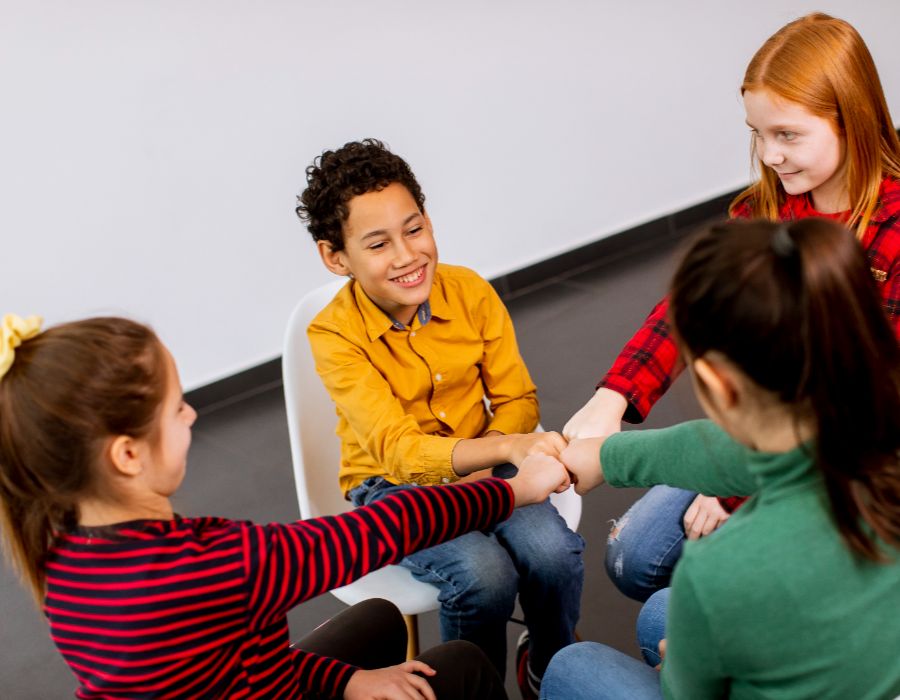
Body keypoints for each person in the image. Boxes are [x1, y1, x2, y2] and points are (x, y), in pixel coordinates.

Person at [0, 314, 573, 699]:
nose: (192, 415)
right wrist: (515, 490)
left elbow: (233, 664)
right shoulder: (216, 562)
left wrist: (347, 683)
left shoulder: (61, 559)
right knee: (463, 666)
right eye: (176, 409)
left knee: (377, 618)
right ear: (127, 454)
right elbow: (385, 528)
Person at [563, 12, 900, 607]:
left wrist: (736, 488)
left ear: (851, 117)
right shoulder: (765, 208)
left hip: (849, 471)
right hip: (760, 438)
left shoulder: (892, 227)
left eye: (788, 135)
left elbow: (867, 410)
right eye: (757, 133)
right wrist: (614, 394)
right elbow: (686, 308)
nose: (769, 155)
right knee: (632, 556)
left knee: (667, 605)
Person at [542, 217, 900, 699]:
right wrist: (609, 456)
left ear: (717, 382)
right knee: (660, 613)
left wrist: (680, 662)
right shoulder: (869, 439)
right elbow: (738, 454)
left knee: (573, 666)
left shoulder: (718, 573)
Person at [296, 139, 584, 698]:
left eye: (414, 229)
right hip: (391, 485)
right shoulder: (332, 334)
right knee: (483, 575)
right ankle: (475, 689)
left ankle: (551, 670)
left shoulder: (470, 291)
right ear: (335, 257)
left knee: (552, 554)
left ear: (428, 220)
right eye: (378, 244)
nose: (407, 255)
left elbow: (517, 398)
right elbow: (400, 452)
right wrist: (500, 454)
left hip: (489, 453)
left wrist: (495, 449)